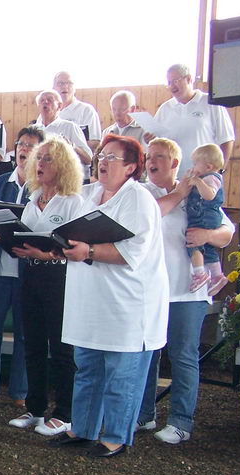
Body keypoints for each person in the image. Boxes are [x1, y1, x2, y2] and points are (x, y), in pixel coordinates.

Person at [50, 135, 168, 458]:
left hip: (126, 303)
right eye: (102, 155)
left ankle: (116, 435)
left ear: (131, 167)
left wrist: (88, 251)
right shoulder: (88, 195)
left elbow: (134, 250)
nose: (103, 161)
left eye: (113, 158)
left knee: (121, 371)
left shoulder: (138, 199)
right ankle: (83, 428)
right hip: (89, 300)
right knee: (87, 367)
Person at [136, 137, 235, 444]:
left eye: (160, 156)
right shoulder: (142, 193)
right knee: (147, 353)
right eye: (149, 156)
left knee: (183, 355)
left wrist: (207, 233)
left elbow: (227, 232)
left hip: (187, 291)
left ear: (175, 163)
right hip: (151, 290)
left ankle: (180, 421)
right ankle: (143, 415)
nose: (152, 161)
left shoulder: (198, 190)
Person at [2, 137, 82, 436]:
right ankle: (35, 408)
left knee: (61, 348)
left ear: (61, 166)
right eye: (39, 158)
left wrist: (46, 254)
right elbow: (24, 238)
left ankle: (65, 413)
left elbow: (76, 244)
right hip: (30, 274)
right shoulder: (31, 201)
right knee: (32, 343)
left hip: (58, 277)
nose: (40, 164)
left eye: (48, 159)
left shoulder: (73, 201)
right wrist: (8, 241)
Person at [0, 126, 46, 407]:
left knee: (25, 333)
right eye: (21, 144)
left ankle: (20, 392)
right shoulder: (0, 181)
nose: (24, 149)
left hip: (29, 271)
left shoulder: (43, 187)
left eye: (30, 145)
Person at [152, 64, 235, 175]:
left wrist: (219, 172)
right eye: (169, 82)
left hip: (204, 179)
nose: (172, 86)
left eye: (175, 81)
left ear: (189, 79)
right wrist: (150, 139)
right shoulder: (165, 108)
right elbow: (158, 143)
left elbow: (226, 139)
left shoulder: (210, 103)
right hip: (172, 179)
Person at [176, 144, 228, 294]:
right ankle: (217, 275)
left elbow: (209, 195)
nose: (193, 167)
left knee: (193, 242)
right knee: (208, 248)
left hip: (205, 217)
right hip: (202, 216)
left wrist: (198, 181)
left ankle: (200, 273)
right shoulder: (204, 177)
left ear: (208, 166)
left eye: (195, 163)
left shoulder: (212, 178)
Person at [34, 89, 92, 176]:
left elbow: (88, 159)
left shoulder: (70, 127)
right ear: (38, 106)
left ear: (59, 106)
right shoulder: (33, 130)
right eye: (42, 100)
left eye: (49, 99)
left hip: (65, 180)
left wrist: (72, 147)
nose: (45, 102)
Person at [52, 71, 101, 153]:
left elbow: (95, 143)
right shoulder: (47, 112)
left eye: (69, 83)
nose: (65, 86)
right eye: (60, 83)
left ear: (75, 88)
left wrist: (70, 146)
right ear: (53, 88)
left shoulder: (86, 111)